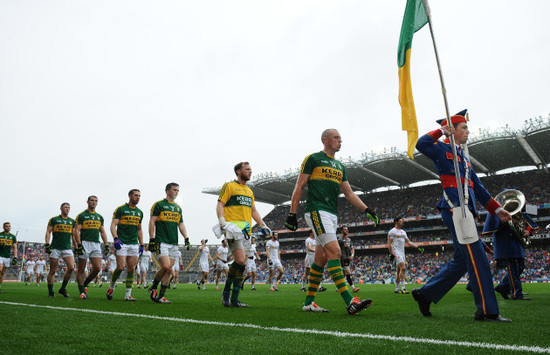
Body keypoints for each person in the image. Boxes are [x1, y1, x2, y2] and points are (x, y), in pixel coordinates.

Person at [411, 110, 512, 322]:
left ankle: (426, 293)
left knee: (462, 261)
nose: (468, 131)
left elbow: (480, 189)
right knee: (478, 259)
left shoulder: (464, 159)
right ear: (453, 131)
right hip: (455, 209)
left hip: (466, 211)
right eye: (463, 127)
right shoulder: (441, 149)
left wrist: (497, 209)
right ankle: (487, 310)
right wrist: (440, 131)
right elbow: (421, 144)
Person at [285, 129, 378, 314]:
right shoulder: (313, 159)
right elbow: (300, 185)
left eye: (341, 138)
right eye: (336, 138)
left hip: (331, 214)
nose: (340, 141)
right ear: (325, 140)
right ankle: (350, 301)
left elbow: (349, 193)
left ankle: (308, 302)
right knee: (335, 252)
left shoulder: (340, 166)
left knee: (320, 259)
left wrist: (366, 209)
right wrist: (292, 214)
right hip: (316, 210)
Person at [216, 161, 272, 307]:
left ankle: (234, 299)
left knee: (242, 265)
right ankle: (226, 291)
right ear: (238, 171)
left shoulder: (249, 191)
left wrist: (263, 225)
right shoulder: (229, 186)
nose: (250, 171)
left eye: (251, 169)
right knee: (240, 261)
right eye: (247, 169)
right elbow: (220, 204)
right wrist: (222, 221)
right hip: (233, 227)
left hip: (247, 229)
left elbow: (253, 211)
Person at [482, 193, 539, 300]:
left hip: (516, 243)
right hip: (506, 243)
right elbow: (491, 226)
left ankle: (503, 287)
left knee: (520, 267)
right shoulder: (496, 211)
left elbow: (529, 222)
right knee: (513, 268)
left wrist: (528, 231)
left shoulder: (519, 213)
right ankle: (517, 294)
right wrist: (504, 221)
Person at [148, 183, 190, 304]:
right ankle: (154, 287)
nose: (176, 192)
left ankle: (161, 296)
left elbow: (181, 224)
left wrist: (186, 237)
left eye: (178, 190)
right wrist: (152, 239)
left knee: (168, 270)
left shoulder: (178, 208)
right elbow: (152, 221)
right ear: (167, 191)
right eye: (174, 190)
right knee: (166, 267)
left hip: (174, 243)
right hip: (162, 241)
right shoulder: (159, 205)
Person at [108, 189, 144, 301]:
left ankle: (128, 295)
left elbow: (139, 229)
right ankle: (111, 287)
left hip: (133, 243)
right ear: (129, 196)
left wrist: (141, 244)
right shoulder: (121, 209)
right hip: (122, 242)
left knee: (131, 268)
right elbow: (113, 225)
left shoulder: (139, 212)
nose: (138, 197)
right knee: (120, 267)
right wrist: (115, 239)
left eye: (139, 196)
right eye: (135, 195)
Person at [74, 195, 110, 299]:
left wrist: (106, 244)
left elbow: (102, 231)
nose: (94, 202)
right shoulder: (81, 215)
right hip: (84, 243)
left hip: (96, 244)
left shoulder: (99, 217)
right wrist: (79, 244)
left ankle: (84, 284)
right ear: (87, 202)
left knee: (97, 268)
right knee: (81, 269)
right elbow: (76, 231)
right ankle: (82, 291)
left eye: (96, 201)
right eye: (92, 200)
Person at [45, 203, 76, 297]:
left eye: (69, 207)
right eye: (65, 207)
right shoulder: (54, 219)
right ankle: (51, 291)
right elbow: (48, 232)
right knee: (53, 270)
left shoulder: (72, 221)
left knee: (71, 268)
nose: (67, 209)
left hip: (67, 248)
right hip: (55, 248)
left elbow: (74, 236)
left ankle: (62, 288)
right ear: (61, 208)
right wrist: (47, 244)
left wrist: (77, 246)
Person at [387, 217, 422, 294]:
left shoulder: (403, 232)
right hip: (396, 252)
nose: (402, 222)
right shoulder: (392, 231)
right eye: (401, 221)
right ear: (396, 222)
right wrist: (391, 254)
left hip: (402, 252)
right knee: (403, 268)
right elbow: (389, 244)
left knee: (399, 270)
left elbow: (409, 242)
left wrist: (417, 247)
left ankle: (396, 288)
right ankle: (403, 288)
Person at [337, 226, 361, 293]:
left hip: (348, 258)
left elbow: (352, 248)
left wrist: (352, 255)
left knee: (343, 274)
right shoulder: (340, 239)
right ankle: (353, 288)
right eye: (345, 229)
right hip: (343, 258)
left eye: (347, 229)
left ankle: (339, 288)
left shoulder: (349, 240)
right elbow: (336, 248)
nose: (346, 231)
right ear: (342, 231)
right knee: (348, 272)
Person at [0, 222, 18, 293]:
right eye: (6, 226)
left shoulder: (13, 237)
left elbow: (15, 247)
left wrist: (15, 257)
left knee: (2, 273)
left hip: (7, 257)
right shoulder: (0, 235)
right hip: (0, 255)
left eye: (9, 226)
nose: (8, 227)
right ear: (3, 227)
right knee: (0, 270)